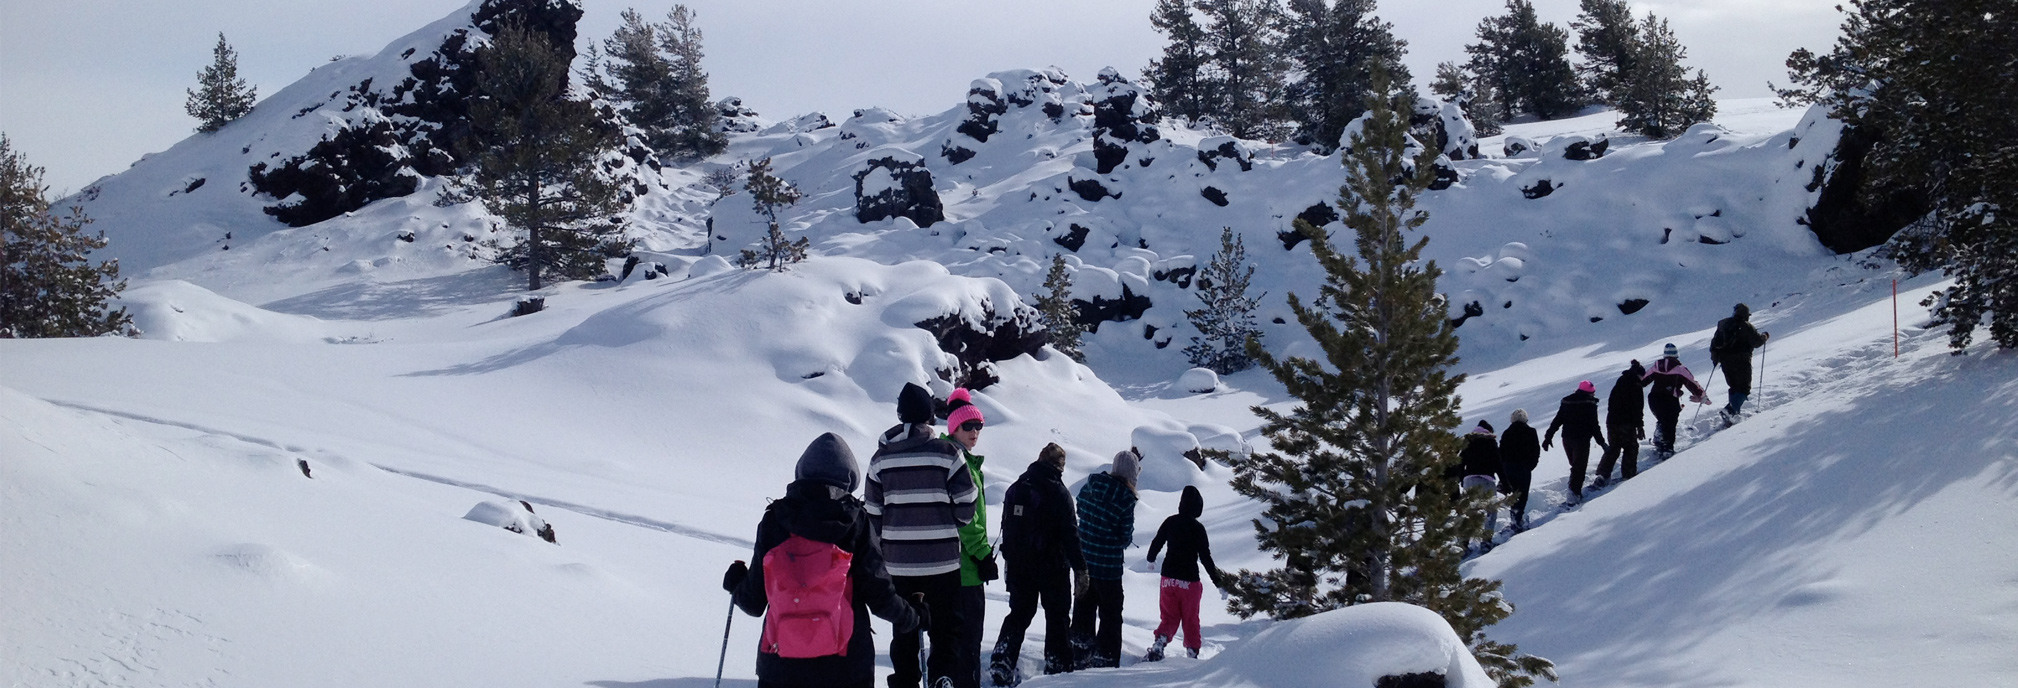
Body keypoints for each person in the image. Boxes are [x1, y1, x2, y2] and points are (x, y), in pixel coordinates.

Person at [723, 433, 927, 688]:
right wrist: (913, 616)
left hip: (780, 665)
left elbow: (754, 602)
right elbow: (880, 596)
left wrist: (735, 583)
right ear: (850, 479)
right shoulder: (855, 523)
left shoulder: (775, 521)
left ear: (801, 472)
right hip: (846, 666)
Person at [868, 383, 978, 688]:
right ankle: (942, 676)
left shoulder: (881, 459)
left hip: (899, 564)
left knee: (905, 627)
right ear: (931, 417)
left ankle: (904, 682)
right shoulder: (947, 453)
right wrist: (952, 521)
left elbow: (873, 514)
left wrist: (888, 545)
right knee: (947, 628)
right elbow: (968, 500)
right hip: (942, 562)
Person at [989, 443, 1085, 685]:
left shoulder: (1017, 487)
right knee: (1057, 615)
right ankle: (1058, 665)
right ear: (1059, 467)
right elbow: (1070, 534)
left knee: (1020, 613)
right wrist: (1081, 569)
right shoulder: (1059, 492)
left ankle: (1002, 658)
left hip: (1019, 564)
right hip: (1052, 566)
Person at [943, 389, 997, 688]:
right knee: (966, 646)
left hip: (947, 569)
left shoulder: (953, 457)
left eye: (978, 426)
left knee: (949, 647)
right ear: (953, 427)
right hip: (965, 571)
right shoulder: (959, 463)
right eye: (968, 426)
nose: (975, 432)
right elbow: (966, 518)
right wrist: (982, 555)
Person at [1069, 448, 1139, 669]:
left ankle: (1079, 654)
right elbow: (1124, 537)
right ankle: (1106, 660)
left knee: (1082, 609)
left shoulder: (1091, 485)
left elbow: (1079, 508)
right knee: (1110, 616)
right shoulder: (1126, 499)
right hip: (1108, 569)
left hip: (1084, 563)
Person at [1143, 485, 1225, 662]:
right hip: (1189, 582)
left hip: (1168, 579)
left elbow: (1157, 541)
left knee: (1169, 616)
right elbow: (1205, 557)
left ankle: (1160, 642)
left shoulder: (1170, 521)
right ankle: (1192, 651)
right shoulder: (1198, 528)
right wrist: (1219, 582)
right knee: (1190, 619)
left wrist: (1150, 559)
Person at [1542, 380, 1608, 506]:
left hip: (1567, 439)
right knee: (1579, 467)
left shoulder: (1567, 401)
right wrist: (1602, 443)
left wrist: (1548, 437)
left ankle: (1574, 491)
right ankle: (1573, 496)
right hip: (1581, 440)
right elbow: (1594, 425)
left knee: (1575, 466)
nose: (1594, 395)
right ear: (1589, 393)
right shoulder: (1590, 404)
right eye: (1593, 393)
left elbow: (1557, 420)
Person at [1642, 343, 1709, 458]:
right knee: (1670, 422)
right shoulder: (1680, 369)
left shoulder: (1657, 365)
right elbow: (1691, 383)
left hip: (1654, 398)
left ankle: (1659, 440)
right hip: (1669, 399)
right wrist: (1702, 396)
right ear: (1676, 355)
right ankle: (1667, 448)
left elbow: (1644, 380)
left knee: (1663, 419)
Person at [1710, 303, 1771, 423]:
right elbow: (1757, 342)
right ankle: (1731, 410)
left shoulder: (1723, 324)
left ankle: (1732, 416)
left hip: (1725, 362)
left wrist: (1715, 359)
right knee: (1744, 389)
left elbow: (1714, 344)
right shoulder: (1746, 326)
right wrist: (1765, 336)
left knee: (1734, 387)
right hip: (1742, 361)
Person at [1595, 360, 1648, 488]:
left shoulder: (1620, 381)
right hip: (1626, 422)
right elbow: (1637, 408)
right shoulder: (1636, 385)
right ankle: (1628, 474)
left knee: (1614, 448)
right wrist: (1640, 426)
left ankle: (1602, 474)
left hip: (1612, 421)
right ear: (1639, 375)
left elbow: (1611, 402)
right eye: (1642, 376)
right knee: (1631, 448)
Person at [1457, 420, 1502, 551]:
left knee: (1470, 512)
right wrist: (1506, 482)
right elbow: (1498, 464)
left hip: (1469, 481)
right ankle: (1486, 542)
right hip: (1487, 481)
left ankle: (1463, 545)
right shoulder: (1491, 443)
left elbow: (1459, 463)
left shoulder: (1468, 442)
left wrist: (1462, 479)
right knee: (1491, 511)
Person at [1498, 409, 1540, 531]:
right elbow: (1535, 450)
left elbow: (1501, 452)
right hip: (1524, 468)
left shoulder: (1507, 433)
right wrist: (1531, 465)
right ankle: (1517, 519)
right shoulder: (1531, 431)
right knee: (1523, 494)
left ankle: (1514, 518)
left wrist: (1503, 467)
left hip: (1509, 467)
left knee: (1513, 494)